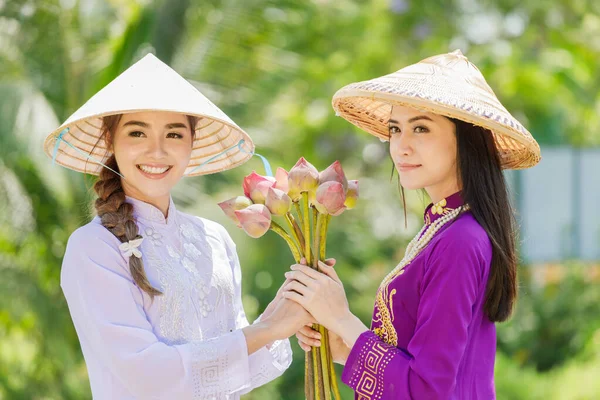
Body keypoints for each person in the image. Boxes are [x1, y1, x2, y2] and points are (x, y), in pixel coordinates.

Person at [43, 54, 310, 399]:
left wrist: (292, 305)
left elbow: (239, 359)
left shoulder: (214, 239)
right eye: (137, 132)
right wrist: (271, 328)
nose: (157, 151)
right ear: (110, 141)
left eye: (174, 134)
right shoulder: (93, 247)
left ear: (192, 143)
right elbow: (145, 373)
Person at [284, 50, 541, 399]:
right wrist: (342, 345)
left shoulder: (460, 240)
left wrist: (343, 318)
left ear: (466, 139)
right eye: (395, 129)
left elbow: (427, 389)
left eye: (420, 128)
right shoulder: (444, 228)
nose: (400, 146)